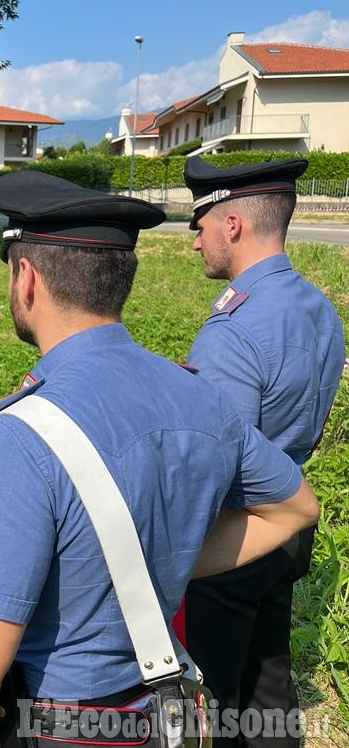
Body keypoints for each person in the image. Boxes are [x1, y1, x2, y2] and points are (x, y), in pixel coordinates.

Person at [0, 169, 319, 748]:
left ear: (26, 278)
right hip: (164, 719)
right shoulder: (203, 397)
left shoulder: (23, 433)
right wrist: (164, 563)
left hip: (53, 725)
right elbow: (295, 508)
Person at [181, 156, 346, 748]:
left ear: (231, 225)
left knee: (213, 700)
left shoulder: (232, 330)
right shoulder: (319, 308)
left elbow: (214, 466)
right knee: (269, 675)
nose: (194, 242)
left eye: (199, 226)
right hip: (289, 519)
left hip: (236, 534)